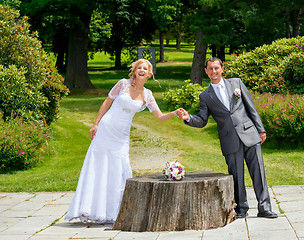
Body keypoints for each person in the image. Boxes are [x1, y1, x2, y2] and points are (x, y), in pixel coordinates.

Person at [65, 59, 180, 224]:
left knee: (120, 167)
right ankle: (89, 209)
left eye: (145, 68)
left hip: (121, 137)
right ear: (134, 71)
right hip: (106, 129)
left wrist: (174, 113)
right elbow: (107, 102)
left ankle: (115, 211)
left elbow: (160, 117)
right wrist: (96, 123)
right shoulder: (122, 84)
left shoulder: (147, 95)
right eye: (138, 67)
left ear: (149, 74)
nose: (141, 70)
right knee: (98, 166)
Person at [177, 57, 277, 219]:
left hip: (249, 134)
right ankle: (242, 208)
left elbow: (251, 107)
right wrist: (188, 117)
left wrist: (260, 129)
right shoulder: (205, 96)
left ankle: (264, 207)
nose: (213, 72)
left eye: (216, 68)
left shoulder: (236, 83)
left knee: (258, 172)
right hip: (229, 140)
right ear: (206, 71)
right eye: (210, 69)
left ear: (222, 69)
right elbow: (202, 121)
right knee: (237, 176)